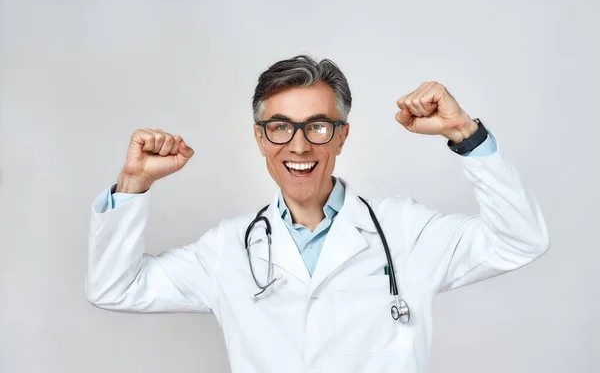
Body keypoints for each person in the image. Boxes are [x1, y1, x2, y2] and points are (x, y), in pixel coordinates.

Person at [86, 55, 549, 373]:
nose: (300, 144)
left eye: (318, 126)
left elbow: (520, 240)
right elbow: (114, 287)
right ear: (260, 138)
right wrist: (133, 185)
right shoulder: (226, 250)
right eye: (281, 127)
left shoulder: (407, 232)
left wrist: (465, 134)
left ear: (342, 136)